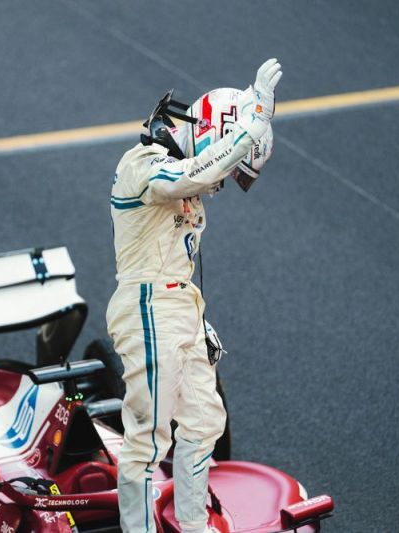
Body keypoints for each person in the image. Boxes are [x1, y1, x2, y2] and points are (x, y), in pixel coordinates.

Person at [106, 59, 282, 533]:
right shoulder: (140, 166)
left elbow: (198, 181)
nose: (226, 184)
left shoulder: (188, 176)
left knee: (205, 421)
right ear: (212, 133)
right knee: (148, 439)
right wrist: (250, 129)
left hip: (179, 306)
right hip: (145, 305)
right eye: (232, 169)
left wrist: (194, 318)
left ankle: (193, 525)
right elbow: (191, 177)